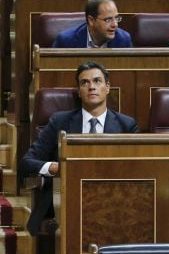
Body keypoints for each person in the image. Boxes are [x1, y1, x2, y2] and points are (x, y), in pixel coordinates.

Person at [22, 61, 139, 237]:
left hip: (114, 201)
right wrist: (55, 168)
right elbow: (27, 163)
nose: (92, 87)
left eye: (97, 81)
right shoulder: (59, 122)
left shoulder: (127, 125)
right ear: (79, 91)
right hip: (66, 203)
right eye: (85, 83)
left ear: (108, 88)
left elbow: (137, 169)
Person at [53, 0, 132, 48]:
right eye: (108, 20)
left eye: (116, 18)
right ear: (91, 20)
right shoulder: (66, 41)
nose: (115, 25)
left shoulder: (124, 39)